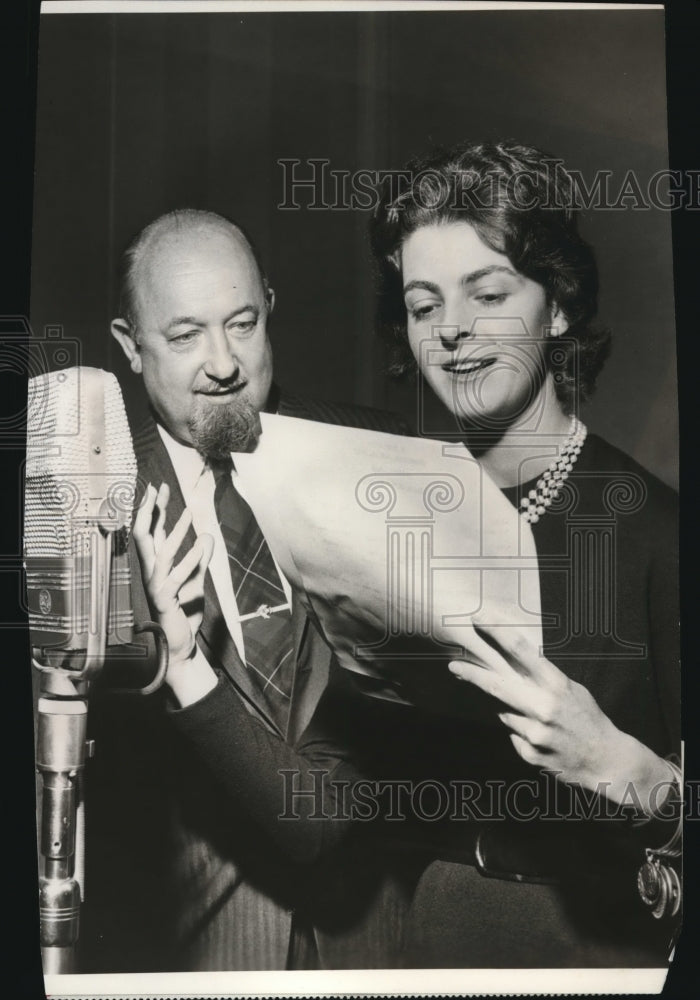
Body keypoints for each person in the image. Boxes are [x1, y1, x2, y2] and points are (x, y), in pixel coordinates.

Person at [367, 140, 681, 967]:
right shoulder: (395, 513)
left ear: (561, 307)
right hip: (425, 934)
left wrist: (627, 769)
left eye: (489, 292)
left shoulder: (656, 532)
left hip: (597, 951)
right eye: (423, 304)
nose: (453, 330)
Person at [82, 208, 414, 972]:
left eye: (242, 323)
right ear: (131, 348)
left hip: (377, 941)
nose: (224, 362)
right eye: (185, 334)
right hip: (189, 954)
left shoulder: (371, 458)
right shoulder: (86, 500)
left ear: (269, 307)